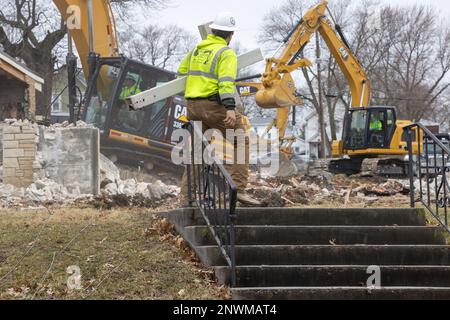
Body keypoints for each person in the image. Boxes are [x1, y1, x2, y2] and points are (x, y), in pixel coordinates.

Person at [179, 12, 261, 207]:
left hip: (192, 107)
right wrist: (230, 109)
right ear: (229, 35)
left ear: (214, 31)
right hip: (214, 106)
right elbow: (225, 82)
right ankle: (238, 190)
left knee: (198, 153)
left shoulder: (196, 50)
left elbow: (182, 72)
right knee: (241, 141)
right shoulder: (226, 53)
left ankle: (186, 198)